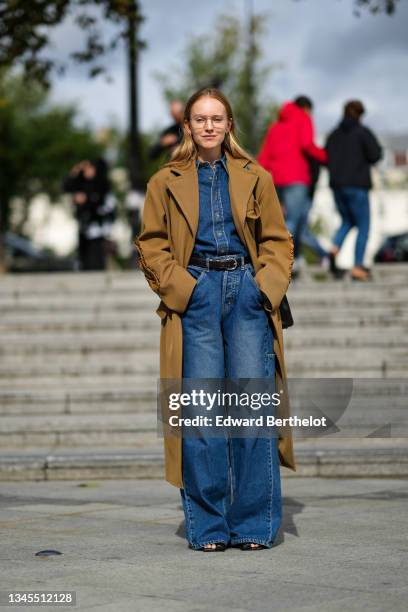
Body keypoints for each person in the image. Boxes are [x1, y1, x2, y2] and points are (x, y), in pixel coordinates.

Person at [135, 87, 295, 552]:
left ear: (229, 125)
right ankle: (208, 525)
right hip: (197, 296)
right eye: (200, 119)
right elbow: (150, 243)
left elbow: (278, 241)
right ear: (186, 126)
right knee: (201, 412)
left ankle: (253, 523)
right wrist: (184, 289)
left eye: (217, 118)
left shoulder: (256, 175)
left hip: (246, 291)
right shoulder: (164, 180)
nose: (208, 126)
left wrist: (262, 289)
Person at [258, 95, 328, 274]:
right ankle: (277, 260)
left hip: (278, 180)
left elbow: (264, 157)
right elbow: (307, 144)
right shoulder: (303, 118)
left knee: (299, 222)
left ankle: (302, 258)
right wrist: (325, 156)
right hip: (297, 178)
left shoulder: (275, 127)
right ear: (306, 108)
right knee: (291, 222)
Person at [326, 100, 382, 281]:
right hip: (357, 186)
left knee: (348, 221)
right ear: (360, 114)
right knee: (364, 225)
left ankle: (334, 247)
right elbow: (376, 155)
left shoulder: (333, 135)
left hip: (337, 186)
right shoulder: (362, 132)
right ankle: (358, 266)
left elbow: (325, 158)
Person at [63, 158, 116, 271]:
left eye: (90, 168)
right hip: (84, 228)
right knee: (84, 262)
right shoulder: (83, 183)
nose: (87, 171)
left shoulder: (103, 184)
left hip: (98, 231)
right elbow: (66, 186)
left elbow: (101, 204)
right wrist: (75, 171)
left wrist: (86, 200)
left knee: (95, 263)